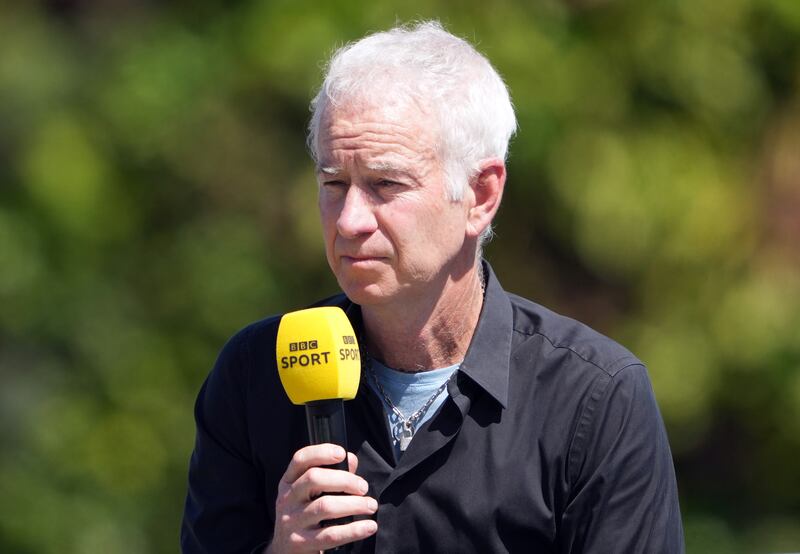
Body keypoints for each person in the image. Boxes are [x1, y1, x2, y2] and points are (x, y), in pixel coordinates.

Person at [181, 21, 684, 554]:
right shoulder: (252, 376)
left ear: (480, 195)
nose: (349, 220)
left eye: (386, 184)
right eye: (333, 183)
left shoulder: (596, 399)